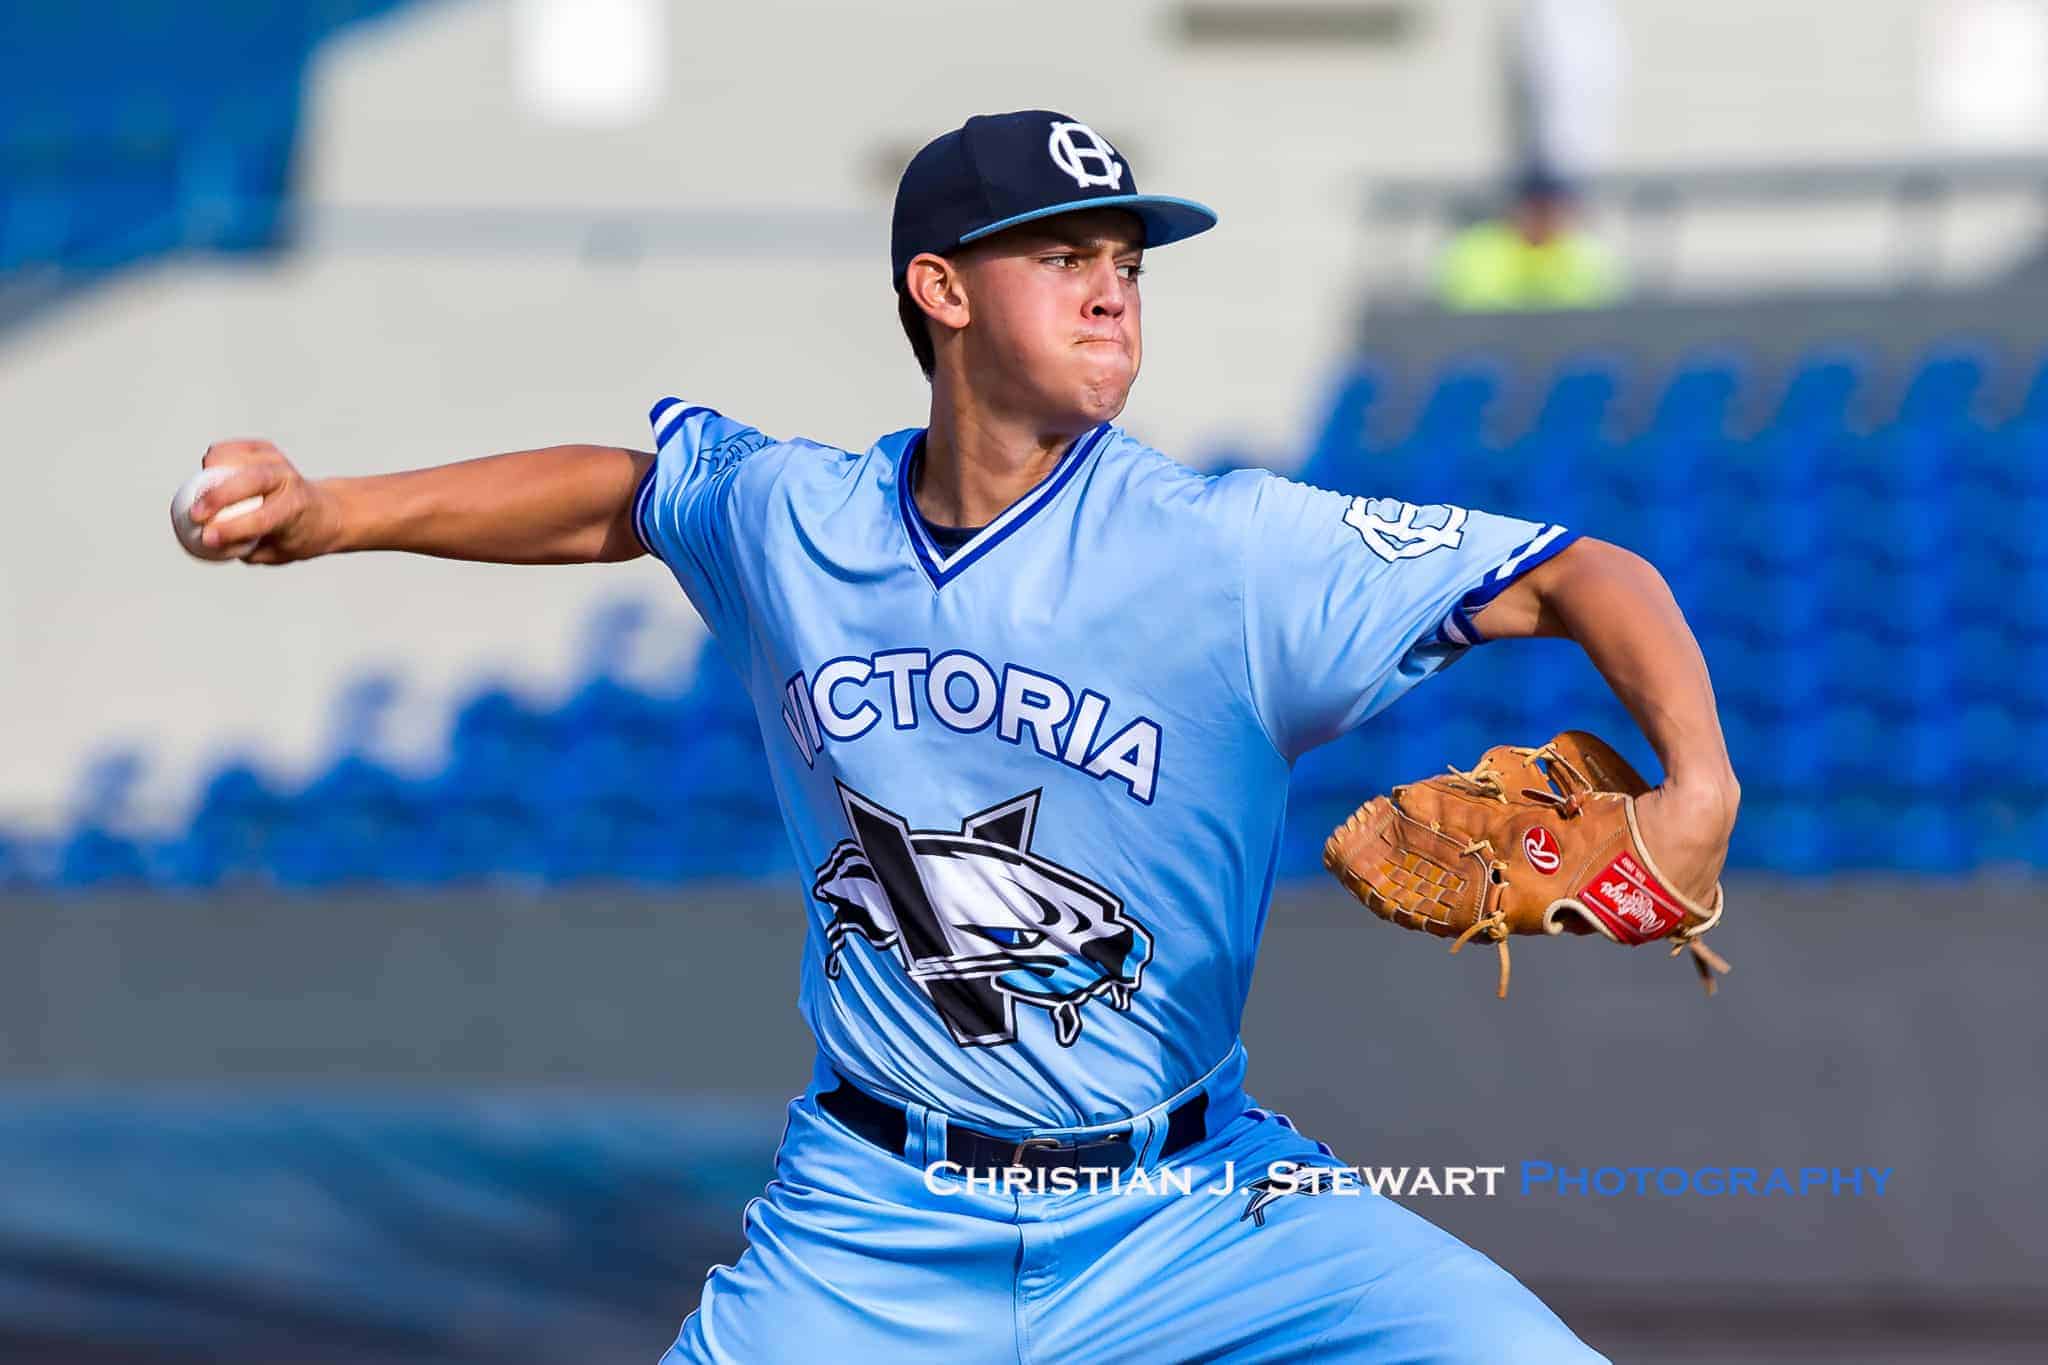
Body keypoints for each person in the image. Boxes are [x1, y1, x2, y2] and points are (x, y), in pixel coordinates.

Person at [183, 110, 1738, 1363]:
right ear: (940, 290)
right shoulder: (797, 519)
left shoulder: (1229, 551)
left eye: (1126, 257)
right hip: (870, 1223)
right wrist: (336, 512)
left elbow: (1582, 573)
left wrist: (1697, 784)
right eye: (1064, 253)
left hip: (1196, 1210)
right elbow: (625, 491)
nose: (1114, 284)